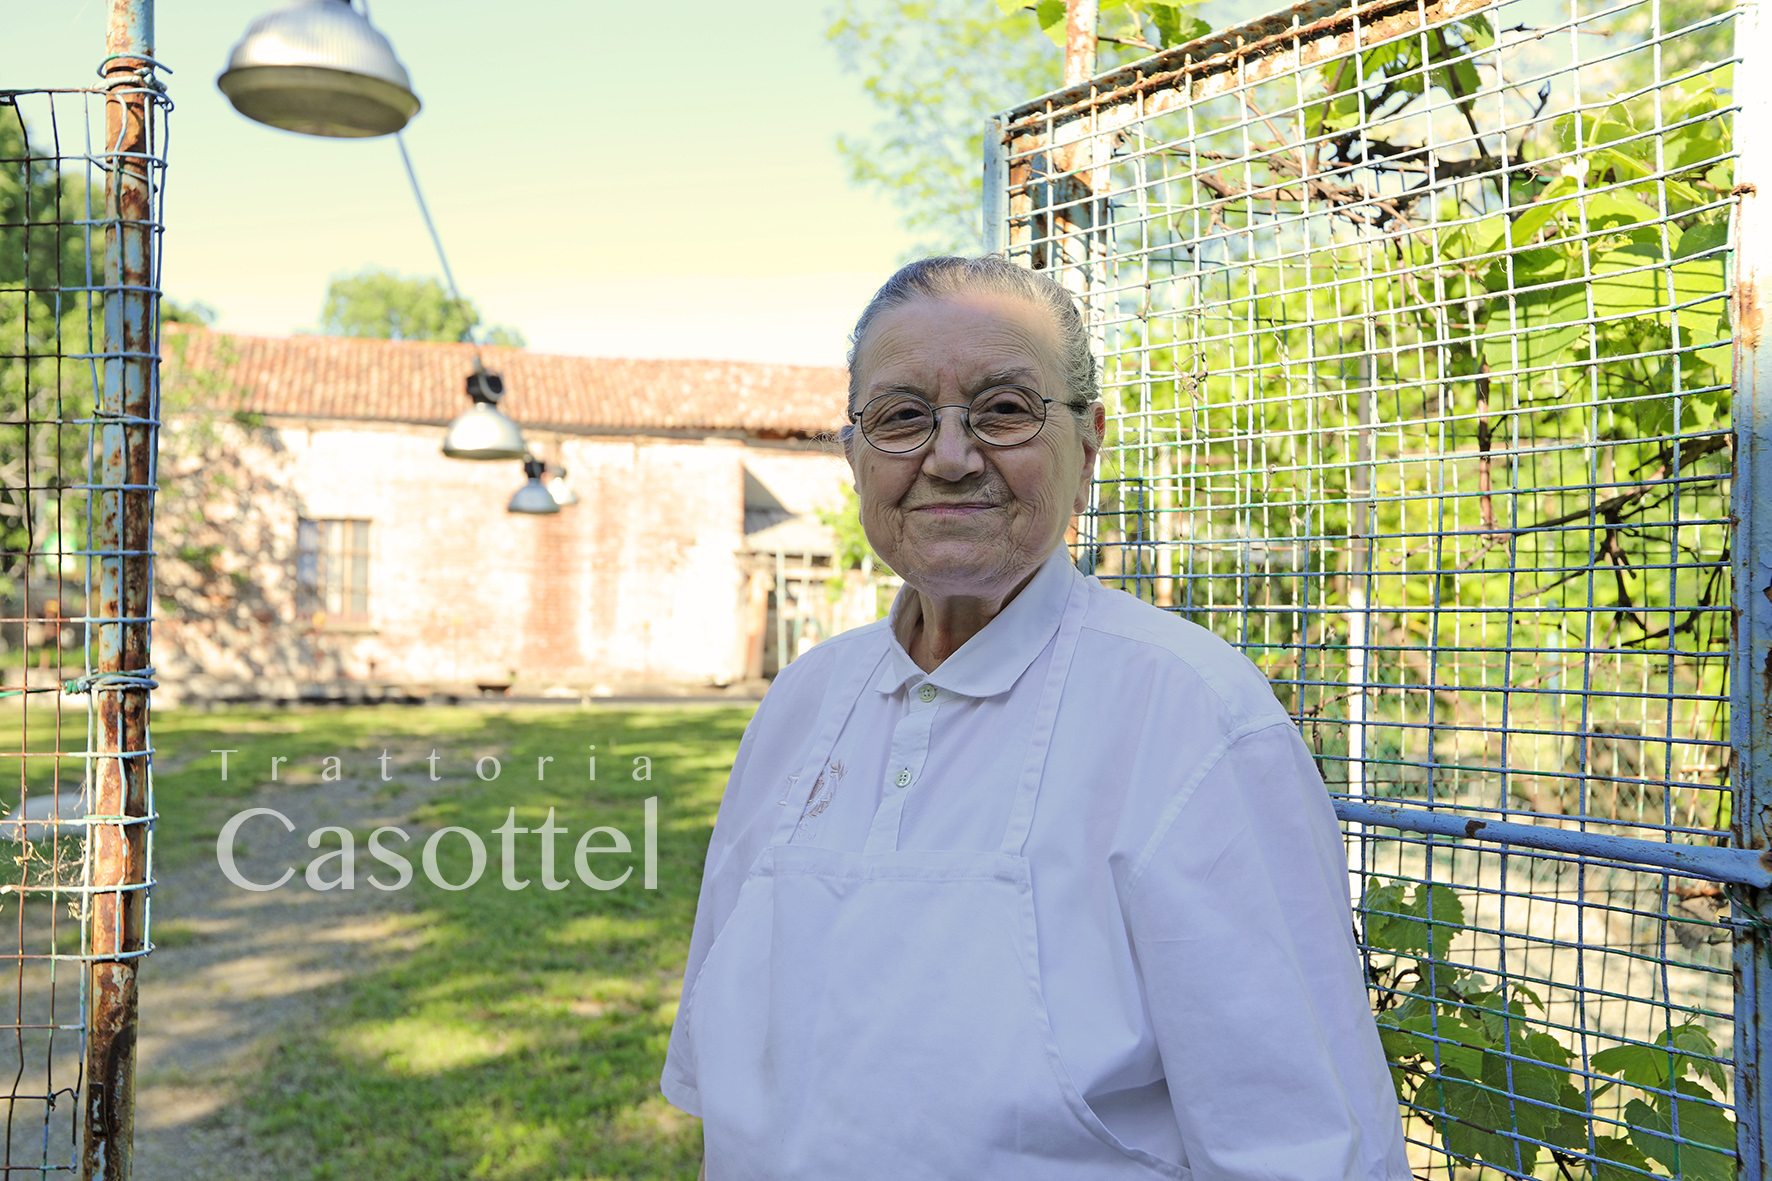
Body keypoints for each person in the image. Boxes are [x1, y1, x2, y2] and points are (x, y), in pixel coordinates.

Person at [662, 257, 1409, 1180]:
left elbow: (1305, 1146)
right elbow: (738, 1085)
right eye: (901, 417)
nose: (948, 456)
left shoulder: (1189, 716)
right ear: (854, 454)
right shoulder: (802, 701)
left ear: (1088, 444)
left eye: (1004, 409)